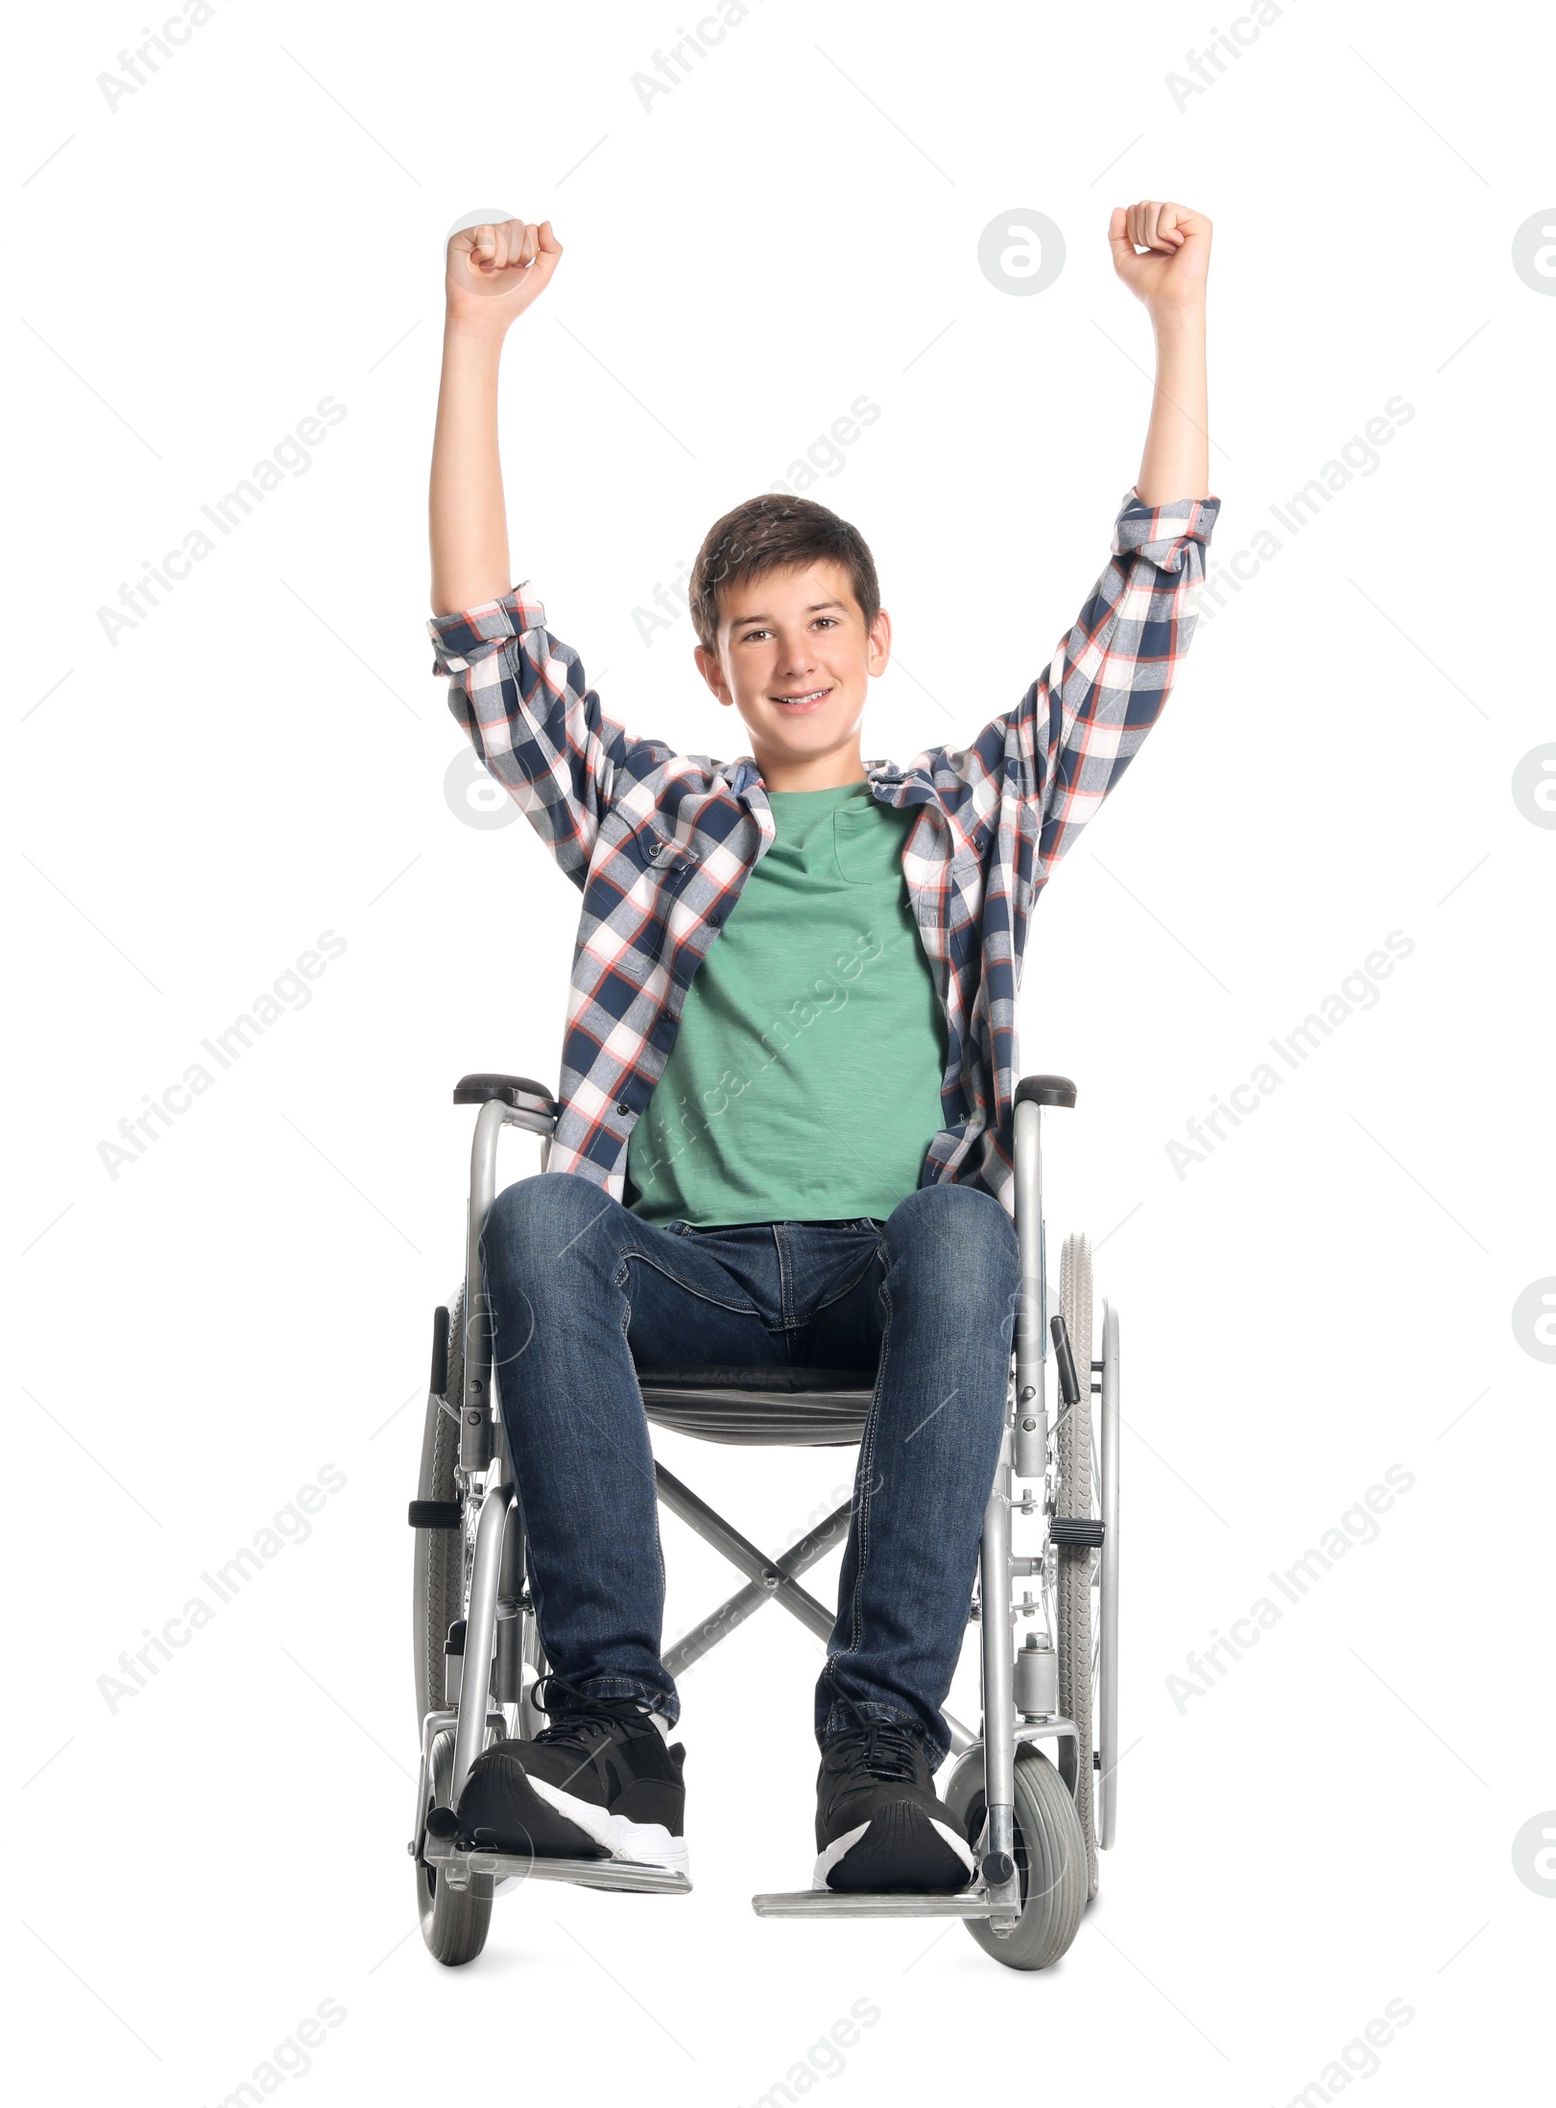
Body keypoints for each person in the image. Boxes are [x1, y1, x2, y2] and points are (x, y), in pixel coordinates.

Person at [425, 203, 1217, 1893]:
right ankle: (616, 1729)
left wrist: (1177, 319)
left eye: (824, 622)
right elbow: (489, 650)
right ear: (715, 669)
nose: (795, 658)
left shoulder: (975, 815)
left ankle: (878, 1758)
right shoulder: (651, 816)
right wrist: (476, 340)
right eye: (757, 634)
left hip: (892, 1279)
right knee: (539, 1213)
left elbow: (1146, 609)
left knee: (967, 1223)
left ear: (875, 638)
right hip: (681, 1276)